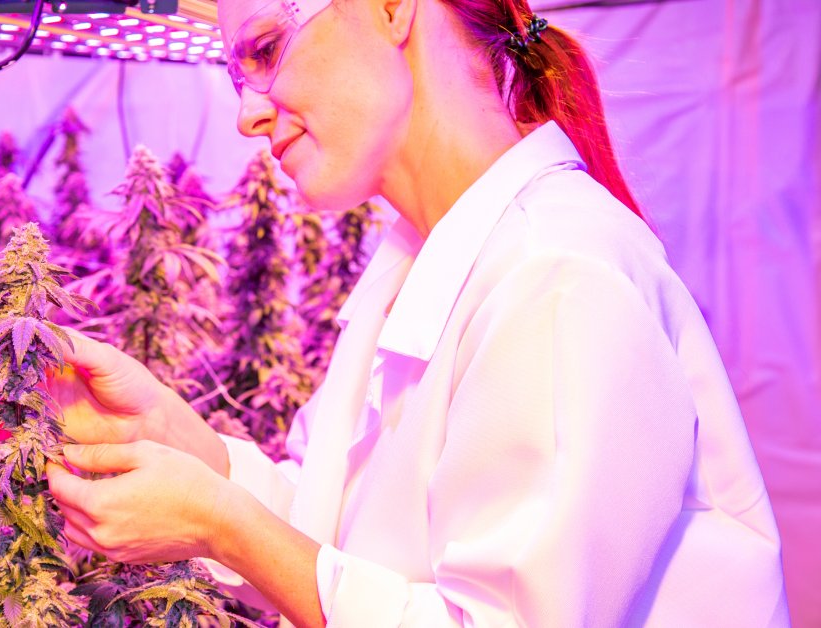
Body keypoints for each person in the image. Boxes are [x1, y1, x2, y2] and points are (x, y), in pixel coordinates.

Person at [45, 0, 790, 624]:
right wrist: (184, 445)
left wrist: (220, 524)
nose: (246, 113)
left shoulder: (558, 278)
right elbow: (338, 537)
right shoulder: (422, 261)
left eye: (266, 51)